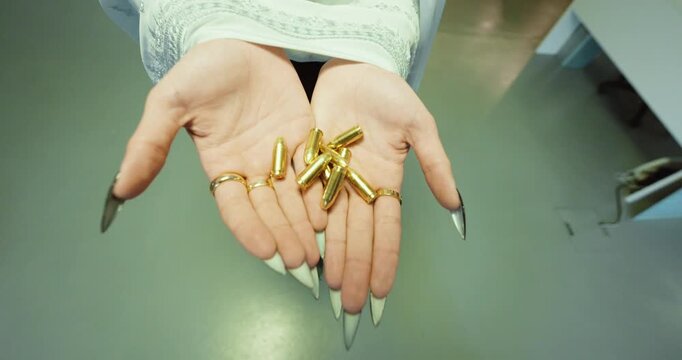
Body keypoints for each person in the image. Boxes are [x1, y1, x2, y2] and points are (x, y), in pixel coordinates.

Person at [98, 0, 464, 350]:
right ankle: (311, 238)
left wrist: (380, 37)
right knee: (285, 175)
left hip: (360, 66)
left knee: (315, 191)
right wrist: (205, 19)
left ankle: (314, 241)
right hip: (240, 60)